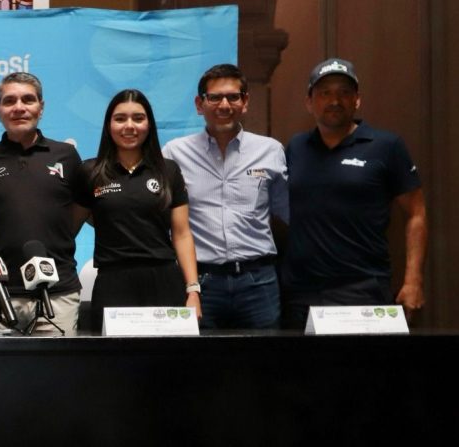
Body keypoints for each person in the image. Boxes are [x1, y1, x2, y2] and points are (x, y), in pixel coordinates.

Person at [281, 58, 427, 328]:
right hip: (299, 291)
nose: (334, 100)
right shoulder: (296, 147)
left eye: (344, 92)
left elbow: (416, 214)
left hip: (362, 289)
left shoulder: (387, 146)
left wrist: (413, 281)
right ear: (309, 102)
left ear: (357, 100)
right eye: (325, 93)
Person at [162, 64, 288, 329]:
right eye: (215, 97)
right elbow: (165, 220)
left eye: (233, 97)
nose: (224, 105)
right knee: (199, 355)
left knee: (266, 354)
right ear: (200, 104)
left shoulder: (271, 151)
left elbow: (285, 215)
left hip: (258, 282)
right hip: (201, 282)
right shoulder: (174, 153)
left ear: (245, 102)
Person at [0, 72, 89, 333]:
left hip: (58, 292)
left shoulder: (66, 155)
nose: (19, 107)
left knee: (55, 362)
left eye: (28, 99)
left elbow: (79, 211)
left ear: (41, 107)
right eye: (9, 101)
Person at [85, 89, 201, 331]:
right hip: (112, 281)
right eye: (120, 119)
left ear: (149, 125)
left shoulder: (169, 170)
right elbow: (70, 226)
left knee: (166, 354)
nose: (129, 126)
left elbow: (182, 234)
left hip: (164, 279)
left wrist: (192, 290)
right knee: (110, 355)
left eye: (138, 118)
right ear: (108, 126)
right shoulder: (90, 172)